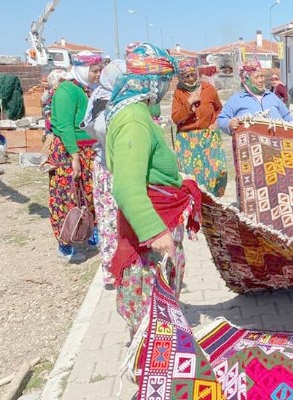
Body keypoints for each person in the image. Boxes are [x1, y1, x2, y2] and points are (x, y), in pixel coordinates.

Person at [105, 43, 202, 337]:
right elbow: (126, 185)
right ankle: (151, 361)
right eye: (164, 81)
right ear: (151, 81)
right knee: (151, 301)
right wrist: (154, 231)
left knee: (157, 302)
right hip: (151, 228)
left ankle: (160, 351)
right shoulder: (134, 120)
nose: (165, 88)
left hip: (160, 216)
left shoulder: (134, 112)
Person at [48, 52, 103, 263]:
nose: (97, 75)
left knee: (88, 195)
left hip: (86, 152)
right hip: (69, 152)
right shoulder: (66, 91)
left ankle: (89, 236)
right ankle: (65, 244)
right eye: (94, 71)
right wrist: (74, 155)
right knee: (66, 196)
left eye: (99, 71)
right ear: (81, 68)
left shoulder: (83, 89)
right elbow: (63, 125)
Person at [80, 59, 126, 287]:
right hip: (110, 167)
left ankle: (119, 268)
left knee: (113, 220)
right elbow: (101, 129)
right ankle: (114, 271)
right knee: (111, 221)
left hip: (108, 166)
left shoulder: (103, 94)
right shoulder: (105, 99)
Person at [171, 58, 227, 196]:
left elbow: (219, 108)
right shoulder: (179, 93)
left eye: (193, 75)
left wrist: (215, 123)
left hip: (209, 136)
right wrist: (188, 105)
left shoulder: (209, 89)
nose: (191, 79)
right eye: (187, 76)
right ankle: (197, 202)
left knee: (217, 171)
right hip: (187, 140)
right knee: (192, 176)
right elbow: (176, 118)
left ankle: (214, 200)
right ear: (181, 78)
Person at [216, 60, 293, 135]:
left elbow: (286, 116)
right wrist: (229, 124)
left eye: (262, 76)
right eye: (256, 77)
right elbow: (221, 119)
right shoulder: (237, 99)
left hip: (277, 144)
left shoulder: (272, 96)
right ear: (247, 80)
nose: (261, 80)